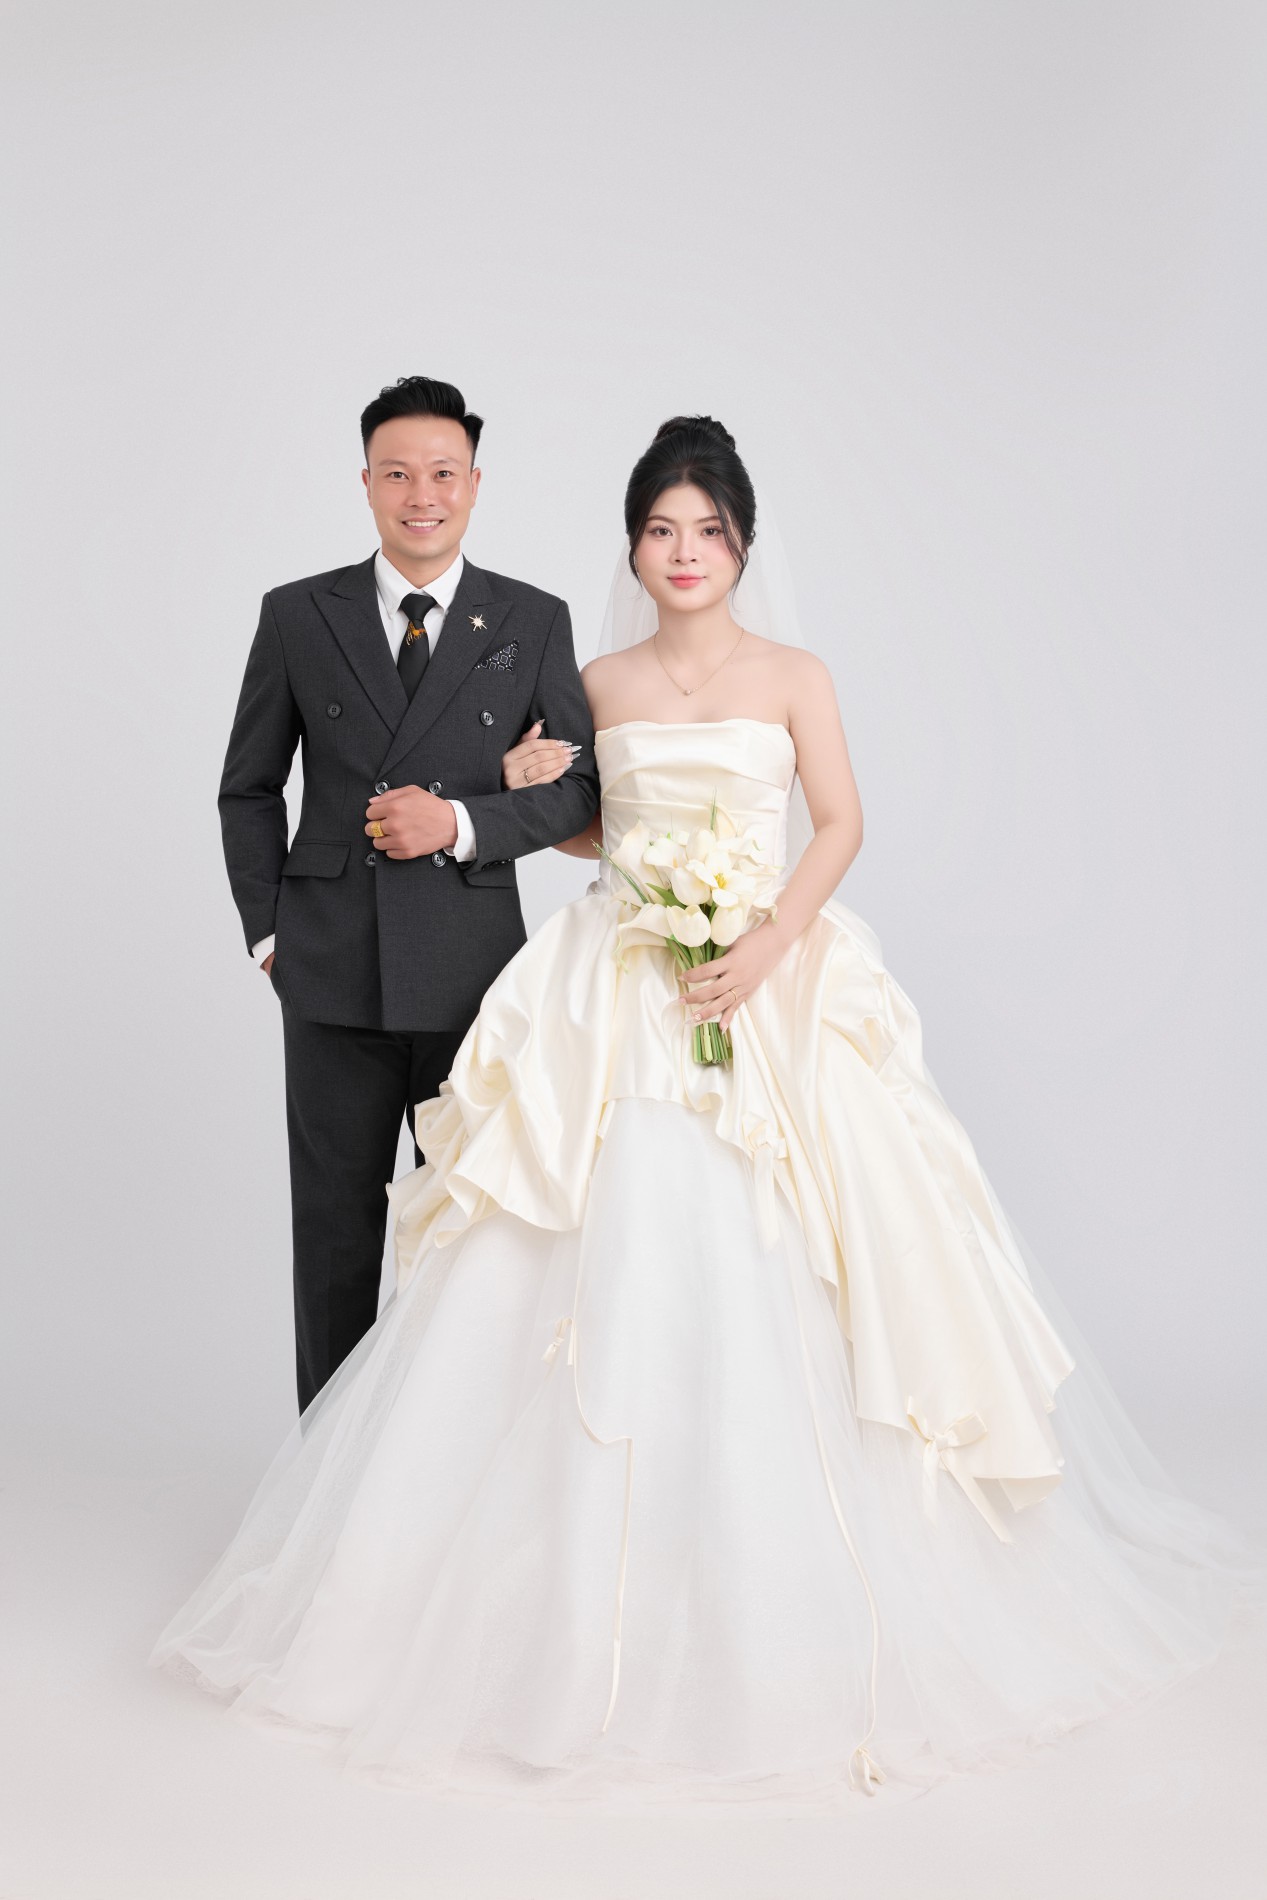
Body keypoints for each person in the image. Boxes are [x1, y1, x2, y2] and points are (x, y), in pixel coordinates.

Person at [159, 417, 1254, 1803]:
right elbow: (587, 821)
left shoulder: (794, 674)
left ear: (740, 546)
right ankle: (439, 1564)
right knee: (559, 1248)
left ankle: (772, 1568)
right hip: (619, 973)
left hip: (759, 973)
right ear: (633, 546)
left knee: (790, 1253)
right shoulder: (595, 676)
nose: (684, 554)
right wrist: (532, 794)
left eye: (708, 533)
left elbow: (839, 822)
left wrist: (767, 942)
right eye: (661, 531)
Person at [218, 377, 598, 1411]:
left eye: (441, 473)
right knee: (334, 1236)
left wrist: (464, 818)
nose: (419, 495)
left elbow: (580, 792)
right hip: (327, 964)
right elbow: (249, 786)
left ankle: (443, 1476)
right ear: (366, 484)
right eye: (397, 474)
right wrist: (268, 936)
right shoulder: (299, 614)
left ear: (474, 483)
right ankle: (323, 1479)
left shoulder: (531, 617)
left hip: (471, 969)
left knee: (466, 1236)